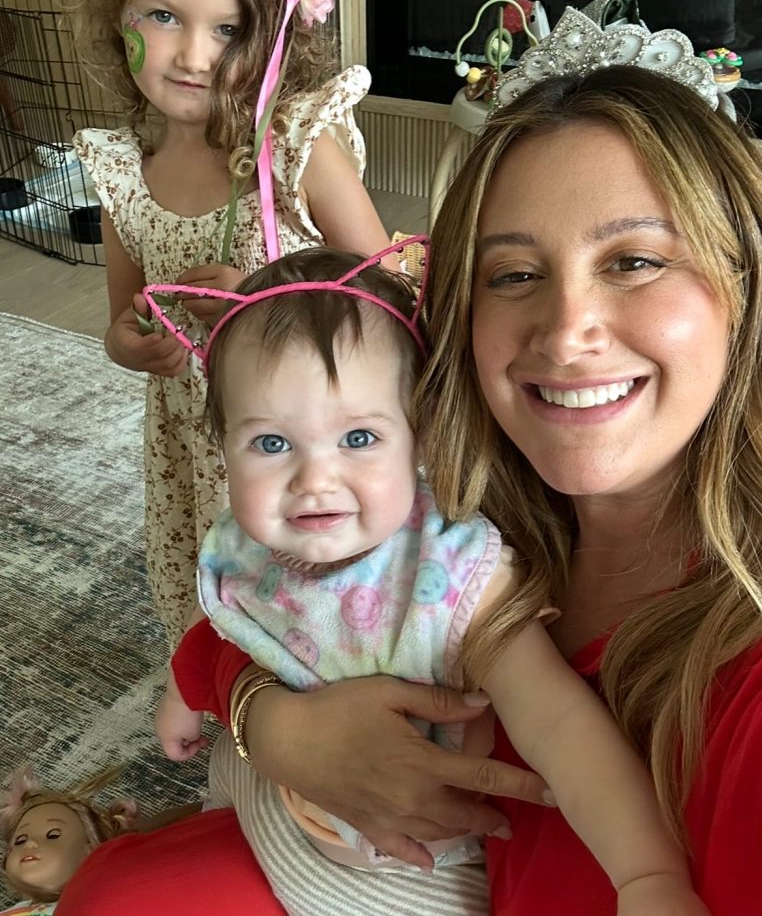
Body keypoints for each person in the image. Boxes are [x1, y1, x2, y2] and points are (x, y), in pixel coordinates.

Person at [55, 8, 762, 915]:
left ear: (744, 283)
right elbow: (271, 598)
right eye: (512, 274)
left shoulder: (741, 682)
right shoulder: (454, 496)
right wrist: (268, 722)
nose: (565, 330)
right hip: (303, 841)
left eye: (633, 260)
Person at [147, 242, 707, 916]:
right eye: (270, 443)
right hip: (273, 793)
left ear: (420, 439)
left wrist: (646, 876)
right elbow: (228, 620)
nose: (313, 479)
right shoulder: (244, 544)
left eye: (357, 438)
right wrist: (187, 697)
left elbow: (560, 725)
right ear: (223, 445)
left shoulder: (450, 576)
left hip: (403, 876)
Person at [72, 0, 391, 644]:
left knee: (309, 604)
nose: (193, 55)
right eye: (161, 16)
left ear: (277, 32)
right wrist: (129, 342)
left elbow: (392, 295)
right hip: (193, 446)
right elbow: (123, 317)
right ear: (116, 14)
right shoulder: (123, 170)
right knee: (216, 595)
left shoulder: (297, 153)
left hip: (302, 447)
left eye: (226, 29)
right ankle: (223, 675)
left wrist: (261, 303)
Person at [0, 767, 137, 914]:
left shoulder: (97, 902)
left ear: (91, 852)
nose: (29, 843)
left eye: (52, 836)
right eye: (20, 840)